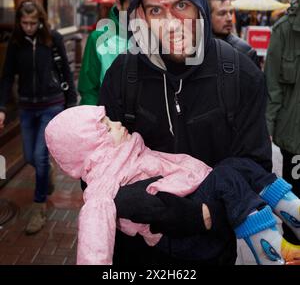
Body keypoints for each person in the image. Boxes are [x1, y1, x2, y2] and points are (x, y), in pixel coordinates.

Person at [98, 0, 272, 266]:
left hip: (211, 251)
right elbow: (93, 159)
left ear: (198, 9)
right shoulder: (123, 75)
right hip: (136, 253)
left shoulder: (240, 75)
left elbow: (255, 165)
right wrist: (123, 199)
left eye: (180, 6)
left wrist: (204, 214)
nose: (171, 22)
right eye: (155, 10)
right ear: (141, 18)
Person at [45, 105, 300, 265]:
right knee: (228, 177)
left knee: (237, 165)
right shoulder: (103, 187)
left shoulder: (126, 153)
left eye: (110, 120)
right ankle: (269, 249)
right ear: (92, 146)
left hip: (189, 200)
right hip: (177, 239)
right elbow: (93, 243)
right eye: (108, 127)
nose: (118, 124)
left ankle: (292, 209)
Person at [0, 0, 77, 234]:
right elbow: (6, 77)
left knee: (40, 157)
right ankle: (47, 174)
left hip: (50, 105)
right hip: (26, 107)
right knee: (29, 156)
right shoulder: (15, 43)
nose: (29, 27)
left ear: (40, 21)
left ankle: (39, 205)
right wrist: (2, 107)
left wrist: (71, 103)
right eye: (24, 22)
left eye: (33, 22)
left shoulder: (53, 39)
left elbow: (65, 68)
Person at [264, 0, 300, 245]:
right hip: (295, 136)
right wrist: (268, 129)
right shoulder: (285, 30)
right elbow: (273, 86)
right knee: (296, 204)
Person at [78, 0, 137, 105]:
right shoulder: (98, 38)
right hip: (109, 118)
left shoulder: (155, 35)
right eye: (131, 7)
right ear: (119, 4)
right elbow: (89, 89)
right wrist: (92, 120)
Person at [206, 0, 260, 67]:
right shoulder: (195, 49)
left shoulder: (246, 51)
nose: (230, 18)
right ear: (207, 16)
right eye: (222, 13)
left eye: (231, 12)